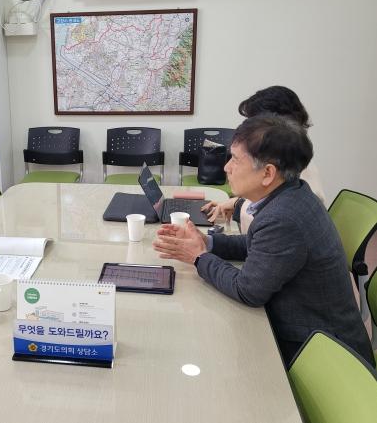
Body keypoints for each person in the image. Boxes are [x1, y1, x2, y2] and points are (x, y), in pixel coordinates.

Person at [153, 115, 375, 366]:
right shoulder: (292, 194)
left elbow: (247, 291)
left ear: (268, 173)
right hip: (316, 335)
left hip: (323, 354)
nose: (226, 168)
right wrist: (207, 242)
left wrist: (198, 257)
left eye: (235, 160)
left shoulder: (283, 218)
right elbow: (257, 245)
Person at [203, 86, 326, 232]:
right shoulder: (289, 168)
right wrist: (237, 204)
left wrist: (238, 206)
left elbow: (270, 220)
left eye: (256, 123)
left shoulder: (285, 211)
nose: (251, 129)